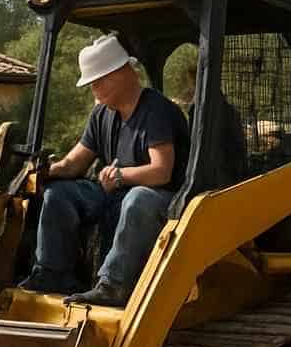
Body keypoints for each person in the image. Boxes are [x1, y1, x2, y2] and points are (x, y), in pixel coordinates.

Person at [18, 35, 191, 306]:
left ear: (121, 74)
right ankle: (52, 273)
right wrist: (44, 172)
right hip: (114, 192)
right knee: (58, 193)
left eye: (97, 82)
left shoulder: (156, 110)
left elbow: (162, 172)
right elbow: (74, 163)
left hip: (164, 199)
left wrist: (121, 176)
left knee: (138, 198)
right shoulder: (102, 115)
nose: (93, 90)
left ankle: (113, 285)